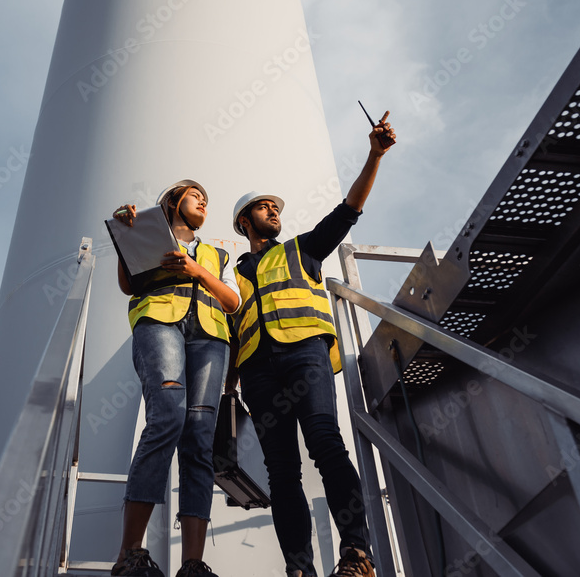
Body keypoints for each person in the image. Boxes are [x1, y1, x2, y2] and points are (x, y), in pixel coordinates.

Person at [226, 114, 396, 577]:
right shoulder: (234, 275)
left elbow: (348, 209)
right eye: (263, 207)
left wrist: (374, 156)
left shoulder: (303, 248)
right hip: (257, 371)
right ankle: (298, 569)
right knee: (281, 471)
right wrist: (229, 387)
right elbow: (228, 331)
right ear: (245, 222)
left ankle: (357, 554)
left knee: (325, 443)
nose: (273, 211)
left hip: (305, 354)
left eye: (275, 206)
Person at [110, 180, 241, 577]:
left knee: (200, 437)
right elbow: (129, 284)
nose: (203, 200)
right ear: (171, 202)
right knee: (167, 417)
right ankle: (130, 552)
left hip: (210, 338)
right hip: (160, 323)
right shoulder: (146, 233)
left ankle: (193, 565)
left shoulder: (217, 255)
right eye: (194, 195)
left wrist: (197, 270)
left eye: (206, 198)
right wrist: (125, 236)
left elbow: (232, 301)